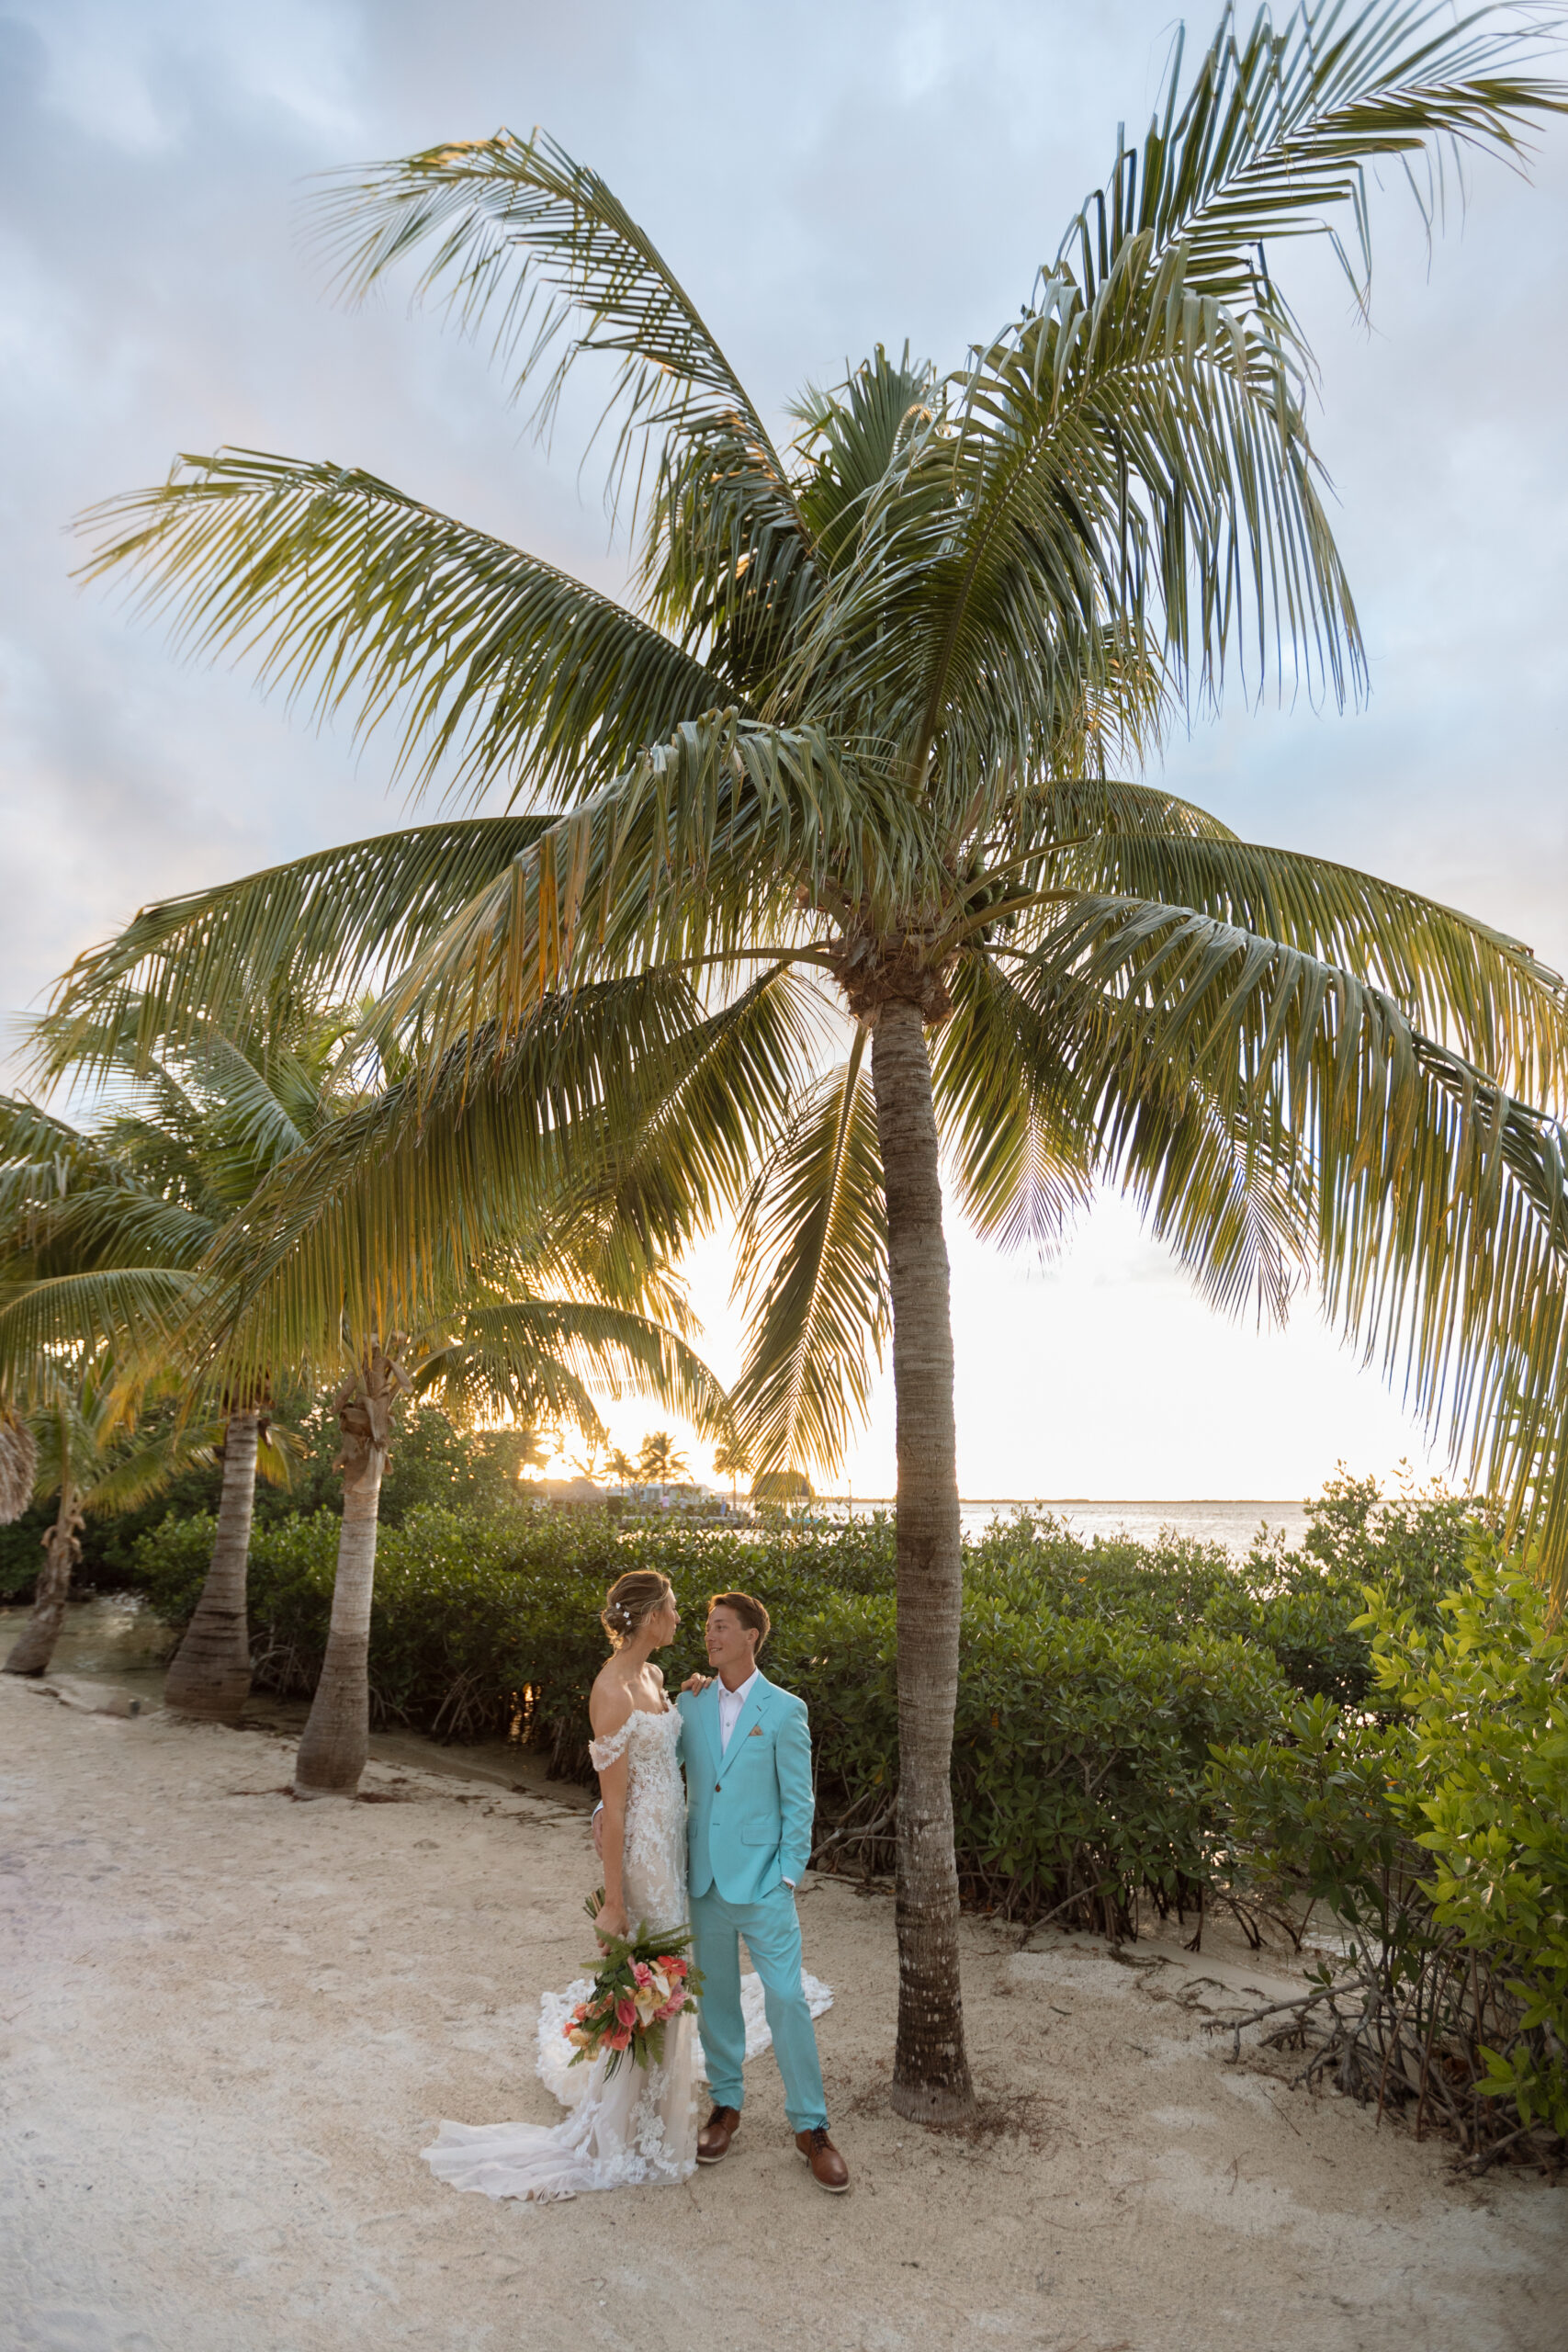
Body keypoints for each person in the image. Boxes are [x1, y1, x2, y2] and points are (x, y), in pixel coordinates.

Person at [420, 1569, 701, 2200]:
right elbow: (615, 1806)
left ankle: (654, 2103)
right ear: (650, 1616)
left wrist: (696, 1693)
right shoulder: (611, 1691)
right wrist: (615, 1903)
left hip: (671, 1842)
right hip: (642, 1852)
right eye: (674, 1611)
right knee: (653, 1973)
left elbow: (668, 1751)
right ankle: (625, 2122)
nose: (680, 1620)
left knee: (674, 1966)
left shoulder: (655, 1678)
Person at [677, 1591, 850, 2194]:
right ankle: (725, 2106)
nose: (709, 1635)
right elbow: (649, 1768)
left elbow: (798, 1800)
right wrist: (603, 1803)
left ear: (751, 1635)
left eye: (721, 1626)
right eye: (706, 1626)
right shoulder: (689, 1702)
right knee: (717, 1998)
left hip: (763, 1884)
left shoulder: (783, 1710)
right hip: (703, 1879)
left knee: (785, 1999)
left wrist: (786, 1876)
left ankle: (811, 2127)